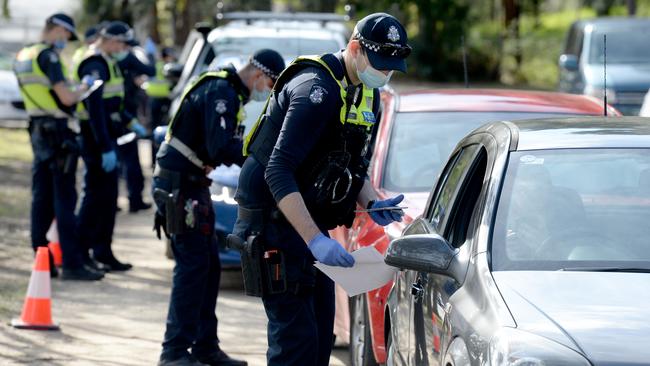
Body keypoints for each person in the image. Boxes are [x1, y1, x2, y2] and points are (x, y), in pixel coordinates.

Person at [233, 13, 411, 365]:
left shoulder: (366, 95)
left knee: (318, 342)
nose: (385, 73)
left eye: (392, 68)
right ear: (356, 49)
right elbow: (278, 169)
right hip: (275, 222)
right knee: (295, 347)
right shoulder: (316, 88)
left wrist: (373, 202)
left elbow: (352, 167)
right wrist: (315, 240)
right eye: (380, 64)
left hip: (310, 225)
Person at [152, 49, 285, 366]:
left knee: (208, 269)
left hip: (192, 185)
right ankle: (173, 352)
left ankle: (204, 347)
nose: (268, 89)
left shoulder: (228, 91)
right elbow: (219, 146)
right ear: (257, 74)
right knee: (192, 270)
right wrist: (261, 157)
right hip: (180, 187)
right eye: (270, 82)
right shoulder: (221, 92)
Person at [14, 13, 103, 281]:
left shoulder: (24, 55)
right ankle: (73, 264)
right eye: (65, 35)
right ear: (57, 29)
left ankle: (43, 260)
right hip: (58, 132)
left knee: (40, 197)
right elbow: (65, 96)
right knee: (64, 198)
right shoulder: (49, 57)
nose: (65, 40)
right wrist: (84, 88)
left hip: (38, 130)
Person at [75, 21, 134, 272]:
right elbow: (95, 109)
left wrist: (129, 120)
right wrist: (104, 146)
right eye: (121, 43)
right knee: (95, 197)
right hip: (96, 138)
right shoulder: (94, 63)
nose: (124, 48)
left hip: (105, 136)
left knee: (108, 198)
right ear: (109, 40)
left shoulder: (107, 61)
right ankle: (82, 252)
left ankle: (102, 251)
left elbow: (112, 103)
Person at [116, 34, 155, 213]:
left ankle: (119, 201)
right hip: (126, 117)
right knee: (130, 161)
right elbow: (150, 70)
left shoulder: (110, 60)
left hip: (119, 116)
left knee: (120, 162)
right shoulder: (128, 58)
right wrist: (150, 56)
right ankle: (134, 200)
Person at [145, 46, 175, 166]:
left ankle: (154, 161)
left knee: (155, 132)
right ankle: (159, 159)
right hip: (163, 101)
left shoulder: (156, 66)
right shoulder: (167, 67)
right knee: (162, 132)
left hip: (154, 101)